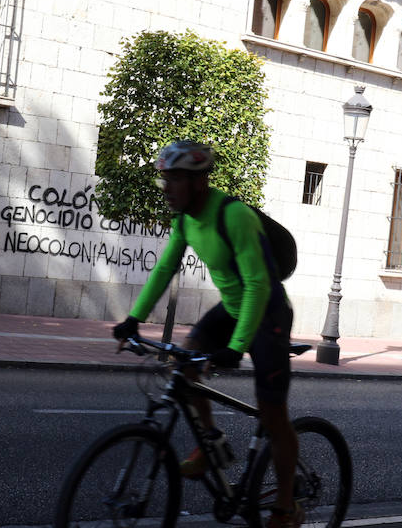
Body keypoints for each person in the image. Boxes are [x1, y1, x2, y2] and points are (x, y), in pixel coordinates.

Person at [112, 141, 302, 528]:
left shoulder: (233, 216)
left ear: (199, 182)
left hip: (268, 313)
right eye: (164, 178)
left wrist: (235, 348)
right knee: (184, 365)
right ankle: (212, 443)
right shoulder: (183, 221)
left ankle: (285, 507)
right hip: (233, 309)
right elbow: (165, 270)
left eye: (175, 179)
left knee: (273, 413)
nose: (166, 187)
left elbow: (256, 284)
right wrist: (133, 319)